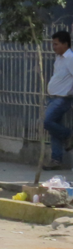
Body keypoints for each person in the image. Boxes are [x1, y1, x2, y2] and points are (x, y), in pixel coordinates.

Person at [44, 31, 73, 170]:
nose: (53, 47)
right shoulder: (59, 58)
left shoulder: (70, 59)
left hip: (62, 99)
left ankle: (69, 135)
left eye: (56, 44)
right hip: (53, 98)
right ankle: (56, 160)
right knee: (54, 131)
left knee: (47, 121)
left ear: (65, 44)